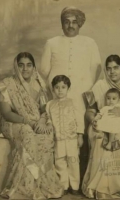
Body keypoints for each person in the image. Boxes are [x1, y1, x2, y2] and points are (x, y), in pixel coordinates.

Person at [40, 6, 102, 186]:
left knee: (79, 133)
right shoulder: (51, 42)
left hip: (81, 93)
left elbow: (96, 67)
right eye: (66, 21)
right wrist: (57, 87)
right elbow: (44, 69)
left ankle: (80, 181)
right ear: (62, 24)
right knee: (59, 134)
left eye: (74, 22)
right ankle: (61, 181)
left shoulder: (89, 42)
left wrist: (86, 86)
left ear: (80, 24)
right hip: (58, 93)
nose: (70, 25)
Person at [0, 52, 63, 199]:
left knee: (46, 135)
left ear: (33, 67)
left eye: (29, 65)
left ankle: (41, 183)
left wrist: (40, 122)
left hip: (34, 121)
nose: (25, 69)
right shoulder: (7, 85)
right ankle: (25, 186)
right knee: (28, 134)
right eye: (21, 65)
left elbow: (43, 109)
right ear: (16, 66)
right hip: (13, 122)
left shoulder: (39, 84)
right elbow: (6, 113)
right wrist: (28, 122)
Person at [82, 55, 120, 199]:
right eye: (109, 68)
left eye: (116, 68)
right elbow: (90, 111)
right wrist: (93, 120)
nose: (112, 72)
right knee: (99, 137)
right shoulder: (99, 86)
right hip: (103, 121)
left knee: (118, 136)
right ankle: (99, 187)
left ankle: (117, 187)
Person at [44, 75, 82, 195]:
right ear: (53, 89)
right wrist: (49, 124)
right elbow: (48, 118)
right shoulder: (50, 104)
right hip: (58, 139)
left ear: (68, 88)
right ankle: (64, 185)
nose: (60, 90)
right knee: (60, 162)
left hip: (72, 138)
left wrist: (80, 135)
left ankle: (75, 186)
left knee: (73, 162)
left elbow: (79, 120)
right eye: (57, 87)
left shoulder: (73, 102)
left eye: (63, 87)